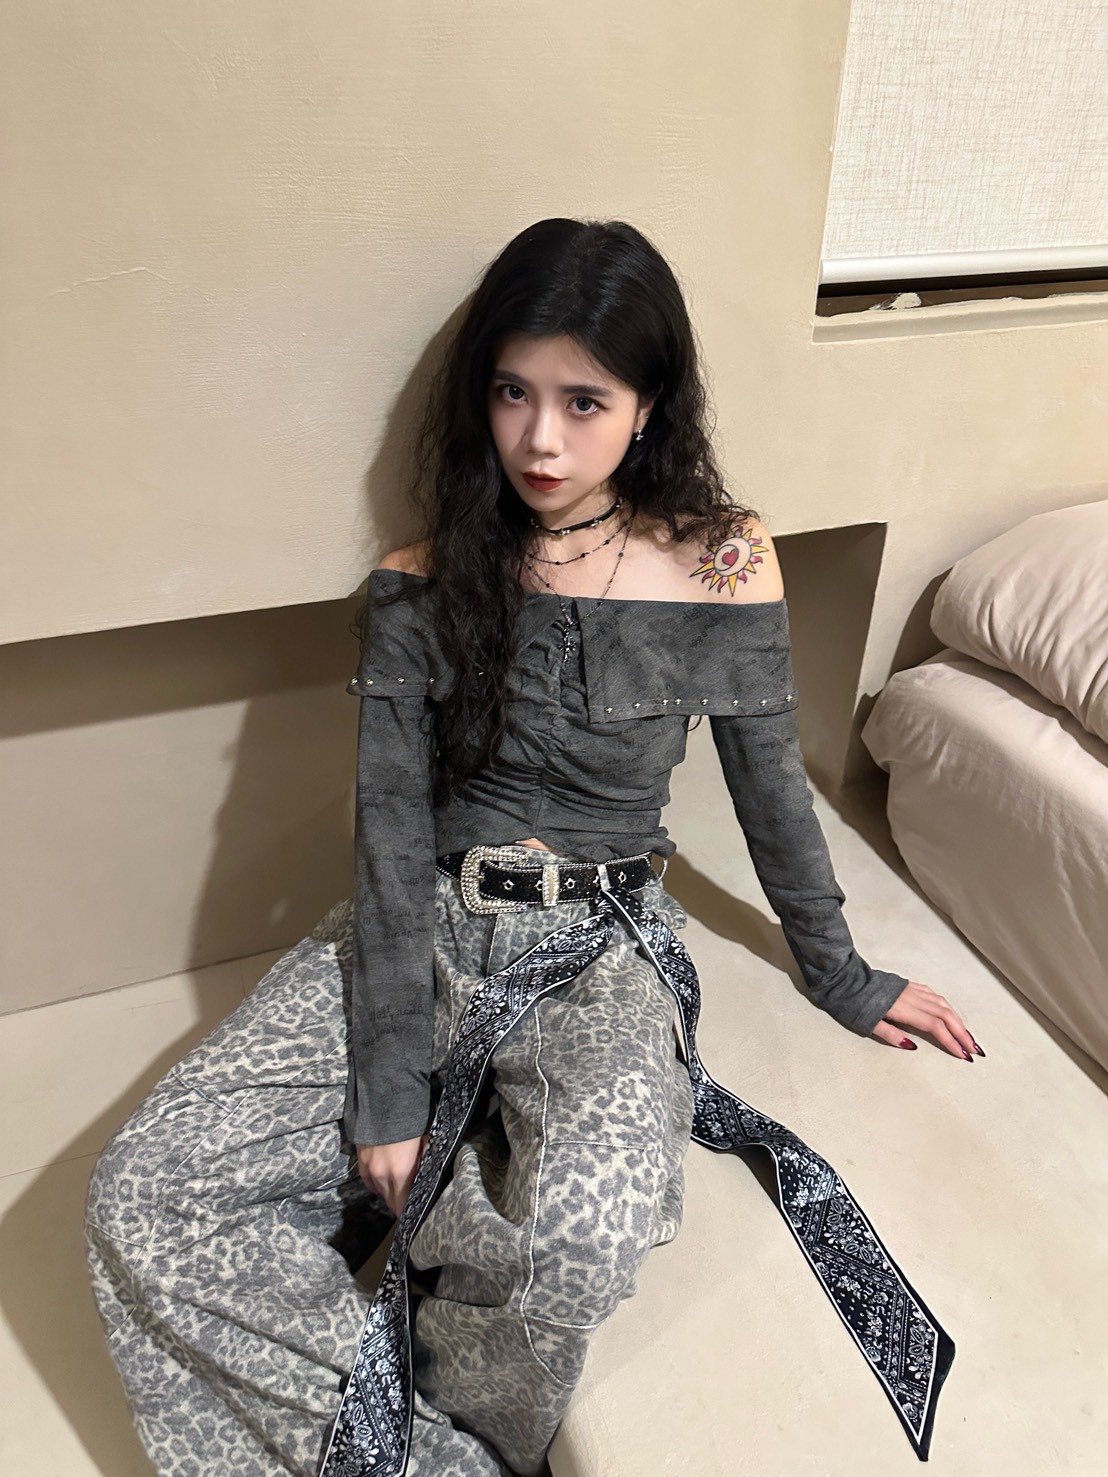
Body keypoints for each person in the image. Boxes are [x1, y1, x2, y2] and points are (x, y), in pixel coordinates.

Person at [85, 218, 976, 1477]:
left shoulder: (724, 560)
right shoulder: (420, 575)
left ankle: (446, 1378)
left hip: (600, 948)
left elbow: (773, 791)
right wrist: (388, 1086)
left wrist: (842, 974)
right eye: (512, 392)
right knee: (147, 1188)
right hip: (424, 924)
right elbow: (390, 838)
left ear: (649, 404)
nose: (540, 441)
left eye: (583, 401)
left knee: (579, 1234)